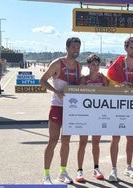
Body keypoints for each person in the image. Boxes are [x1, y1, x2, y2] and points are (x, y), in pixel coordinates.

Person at [40, 37, 82, 184]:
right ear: (67, 48)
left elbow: (78, 85)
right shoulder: (57, 63)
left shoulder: (79, 66)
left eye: (78, 48)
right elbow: (42, 80)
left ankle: (62, 172)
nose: (76, 50)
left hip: (71, 109)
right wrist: (56, 91)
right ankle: (46, 175)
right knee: (53, 140)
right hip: (57, 106)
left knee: (66, 141)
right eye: (73, 48)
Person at [106, 37, 133, 182]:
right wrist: (118, 86)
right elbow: (108, 85)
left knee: (130, 137)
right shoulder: (118, 65)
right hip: (118, 104)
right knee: (115, 137)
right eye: (132, 48)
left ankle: (128, 167)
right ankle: (114, 169)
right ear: (126, 48)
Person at [75, 54, 108, 182]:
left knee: (96, 143)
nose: (95, 67)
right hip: (85, 115)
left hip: (98, 115)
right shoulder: (83, 79)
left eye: (97, 65)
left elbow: (107, 96)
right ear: (88, 65)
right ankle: (79, 170)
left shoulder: (102, 79)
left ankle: (96, 168)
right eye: (93, 64)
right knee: (82, 142)